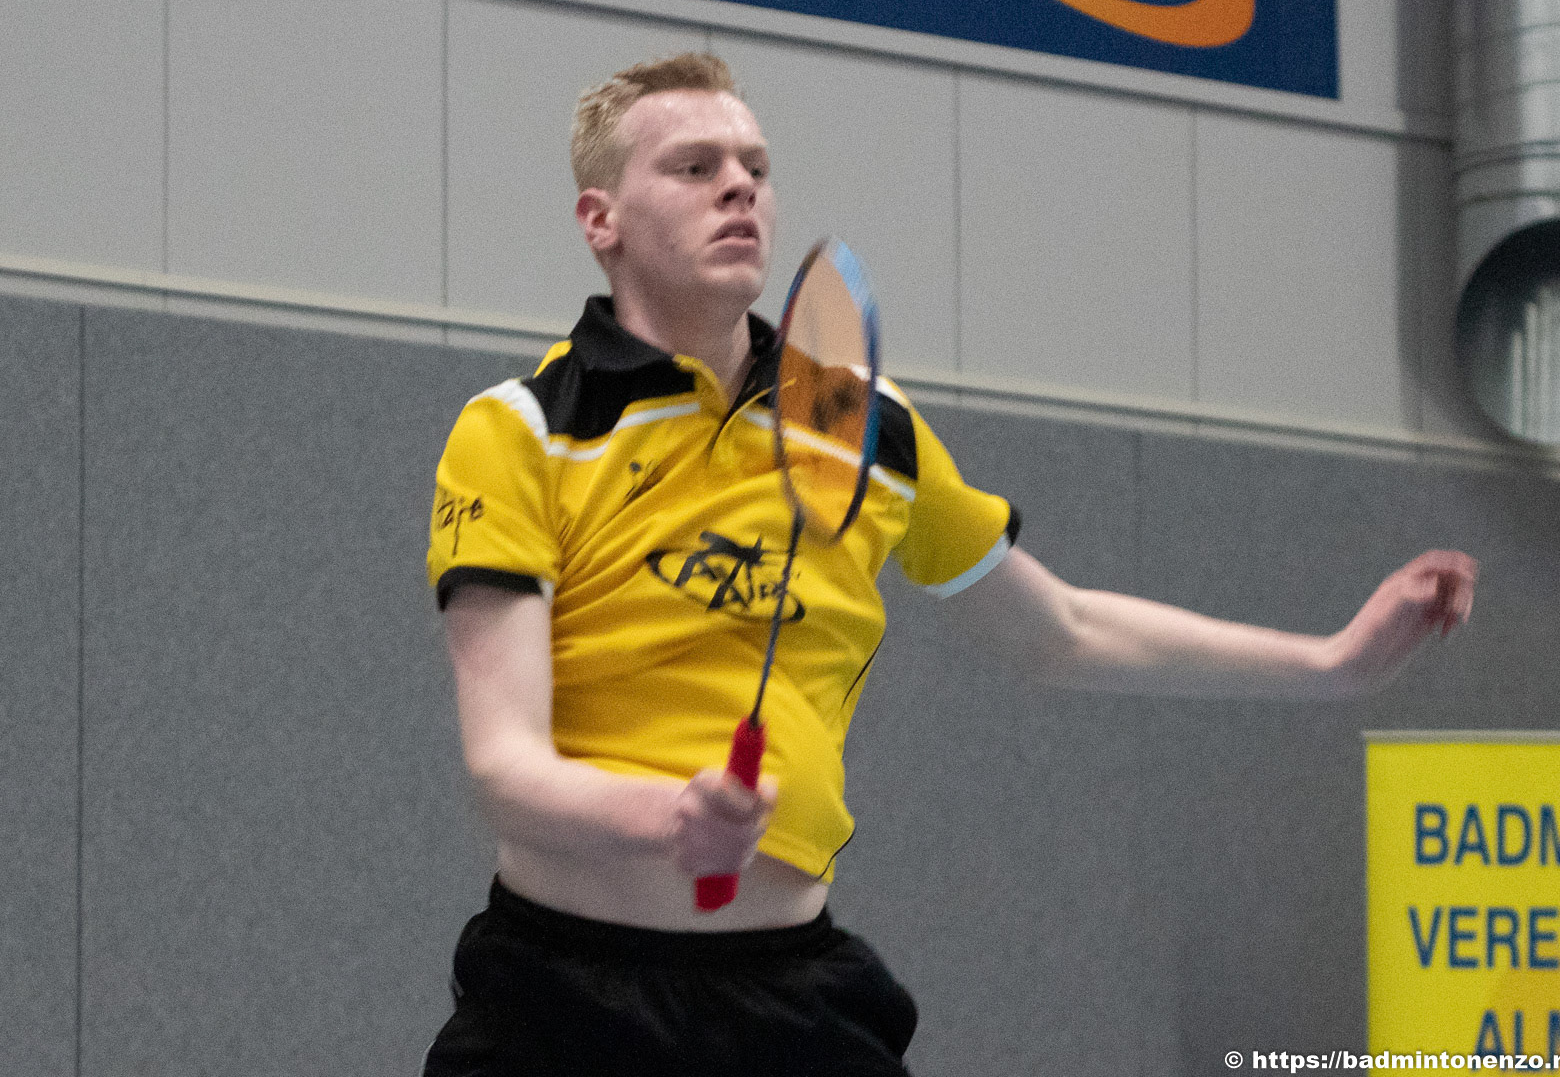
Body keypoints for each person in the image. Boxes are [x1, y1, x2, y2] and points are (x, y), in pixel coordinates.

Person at [420, 53, 1476, 1076]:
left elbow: (1062, 631)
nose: (738, 186)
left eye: (755, 167)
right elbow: (504, 770)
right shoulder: (525, 430)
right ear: (600, 220)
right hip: (560, 1000)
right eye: (694, 167)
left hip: (790, 1000)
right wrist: (665, 819)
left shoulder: (855, 420)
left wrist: (1333, 661)